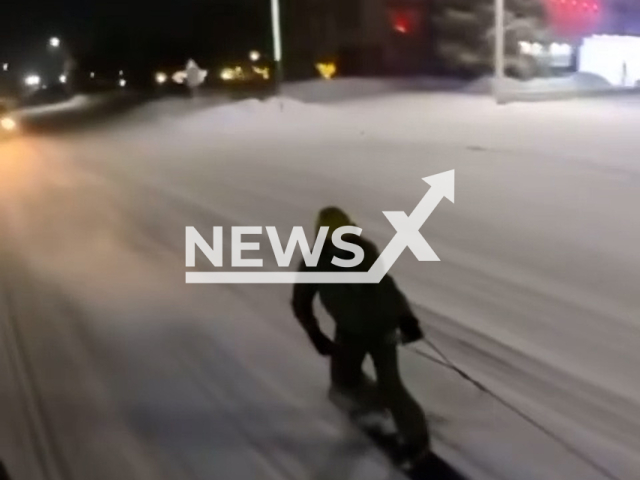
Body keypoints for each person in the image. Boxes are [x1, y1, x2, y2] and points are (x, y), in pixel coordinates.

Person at [291, 206, 431, 465]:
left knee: (391, 385)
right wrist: (315, 334)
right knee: (344, 382)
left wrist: (406, 319)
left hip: (381, 330)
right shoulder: (315, 262)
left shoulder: (364, 250)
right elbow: (301, 302)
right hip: (350, 332)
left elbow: (386, 286)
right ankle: (375, 403)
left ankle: (416, 438)